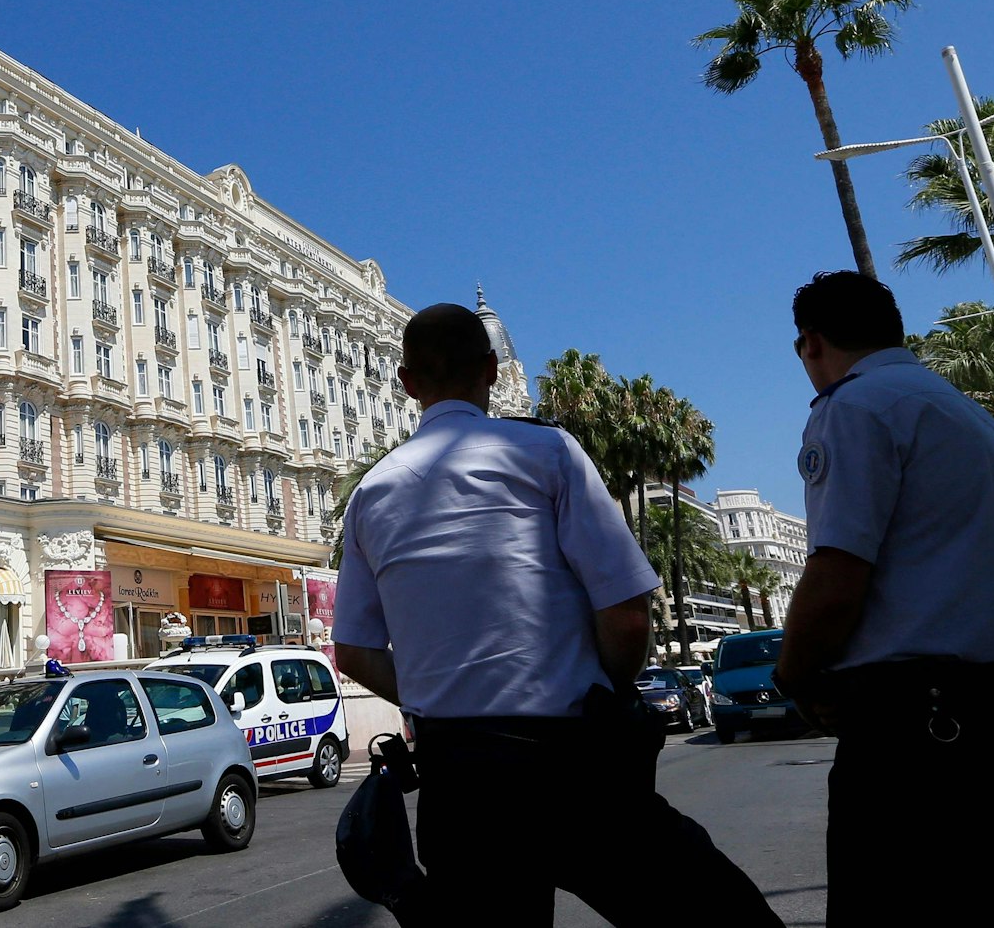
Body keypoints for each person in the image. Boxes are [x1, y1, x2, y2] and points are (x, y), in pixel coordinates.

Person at [333, 303, 780, 925]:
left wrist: (441, 694)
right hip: (572, 762)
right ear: (491, 370)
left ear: (405, 383)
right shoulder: (547, 452)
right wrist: (610, 688)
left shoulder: (371, 492)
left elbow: (352, 651)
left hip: (458, 783)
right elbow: (626, 613)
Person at [774, 271, 994, 927]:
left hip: (925, 733)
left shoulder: (855, 407)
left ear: (810, 343)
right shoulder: (966, 416)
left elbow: (838, 569)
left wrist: (796, 673)